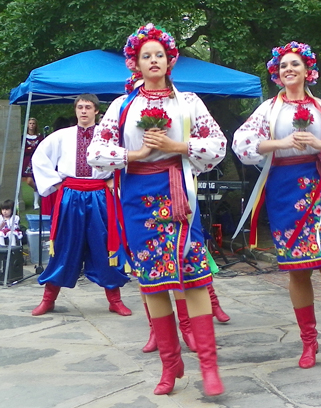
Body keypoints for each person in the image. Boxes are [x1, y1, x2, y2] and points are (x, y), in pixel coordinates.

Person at [87, 23, 226, 396]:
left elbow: (217, 145)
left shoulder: (189, 102)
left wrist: (176, 146)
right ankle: (170, 364)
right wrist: (136, 154)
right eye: (146, 55)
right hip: (137, 195)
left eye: (159, 55)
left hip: (179, 192)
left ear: (169, 61)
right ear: (136, 62)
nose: (153, 60)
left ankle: (209, 367)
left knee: (193, 274)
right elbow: (95, 154)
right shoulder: (122, 106)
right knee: (152, 280)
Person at [233, 41, 321, 370]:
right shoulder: (269, 109)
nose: (289, 70)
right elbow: (242, 143)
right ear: (276, 73)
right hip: (284, 190)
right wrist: (280, 143)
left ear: (307, 70)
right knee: (298, 272)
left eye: (294, 64)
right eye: (283, 66)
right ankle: (309, 343)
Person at [30, 94, 132, 317]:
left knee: (105, 245)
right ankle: (48, 299)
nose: (83, 111)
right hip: (70, 195)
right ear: (75, 110)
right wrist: (56, 184)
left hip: (99, 196)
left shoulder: (108, 137)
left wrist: (116, 178)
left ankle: (115, 300)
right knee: (64, 245)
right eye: (80, 107)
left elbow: (126, 157)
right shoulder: (61, 136)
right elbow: (39, 158)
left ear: (96, 111)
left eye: (88, 107)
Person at [22, 118, 43, 210]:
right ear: (27, 125)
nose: (32, 125)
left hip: (37, 160)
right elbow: (23, 149)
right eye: (30, 123)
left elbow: (42, 148)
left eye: (33, 123)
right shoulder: (24, 137)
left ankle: (36, 203)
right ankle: (39, 190)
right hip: (27, 161)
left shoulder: (39, 137)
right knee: (29, 181)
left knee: (37, 179)